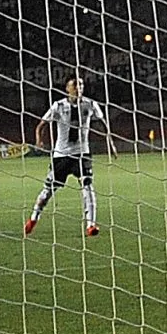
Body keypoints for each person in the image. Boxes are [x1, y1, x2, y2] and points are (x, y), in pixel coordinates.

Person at [25, 76, 117, 237]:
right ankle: (33, 218)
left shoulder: (90, 104)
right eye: (74, 85)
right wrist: (39, 140)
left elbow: (103, 123)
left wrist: (111, 142)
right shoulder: (58, 106)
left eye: (80, 84)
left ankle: (91, 225)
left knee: (88, 186)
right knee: (48, 191)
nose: (78, 87)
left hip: (82, 154)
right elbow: (41, 124)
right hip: (61, 155)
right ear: (67, 89)